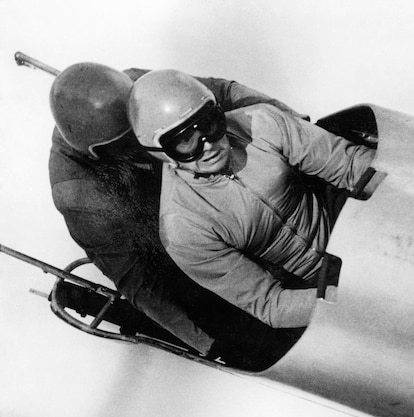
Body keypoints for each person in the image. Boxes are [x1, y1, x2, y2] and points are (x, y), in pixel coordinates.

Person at [48, 62, 309, 369]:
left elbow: (224, 94)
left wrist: (298, 126)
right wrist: (207, 344)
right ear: (98, 154)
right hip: (172, 242)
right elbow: (138, 281)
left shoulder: (143, 87)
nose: (146, 145)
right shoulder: (77, 194)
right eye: (127, 142)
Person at [127, 69, 376, 329]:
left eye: (209, 125)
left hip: (355, 228)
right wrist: (350, 302)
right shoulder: (183, 228)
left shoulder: (261, 123)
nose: (208, 145)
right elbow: (271, 304)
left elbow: (354, 167)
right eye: (186, 141)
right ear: (161, 154)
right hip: (315, 286)